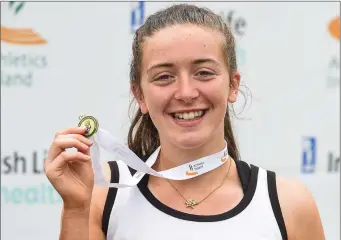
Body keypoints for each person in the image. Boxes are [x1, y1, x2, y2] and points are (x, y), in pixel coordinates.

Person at [44, 4, 325, 240]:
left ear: (233, 85)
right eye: (164, 76)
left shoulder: (289, 204)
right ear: (140, 95)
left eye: (203, 72)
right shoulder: (103, 193)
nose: (186, 93)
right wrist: (76, 210)